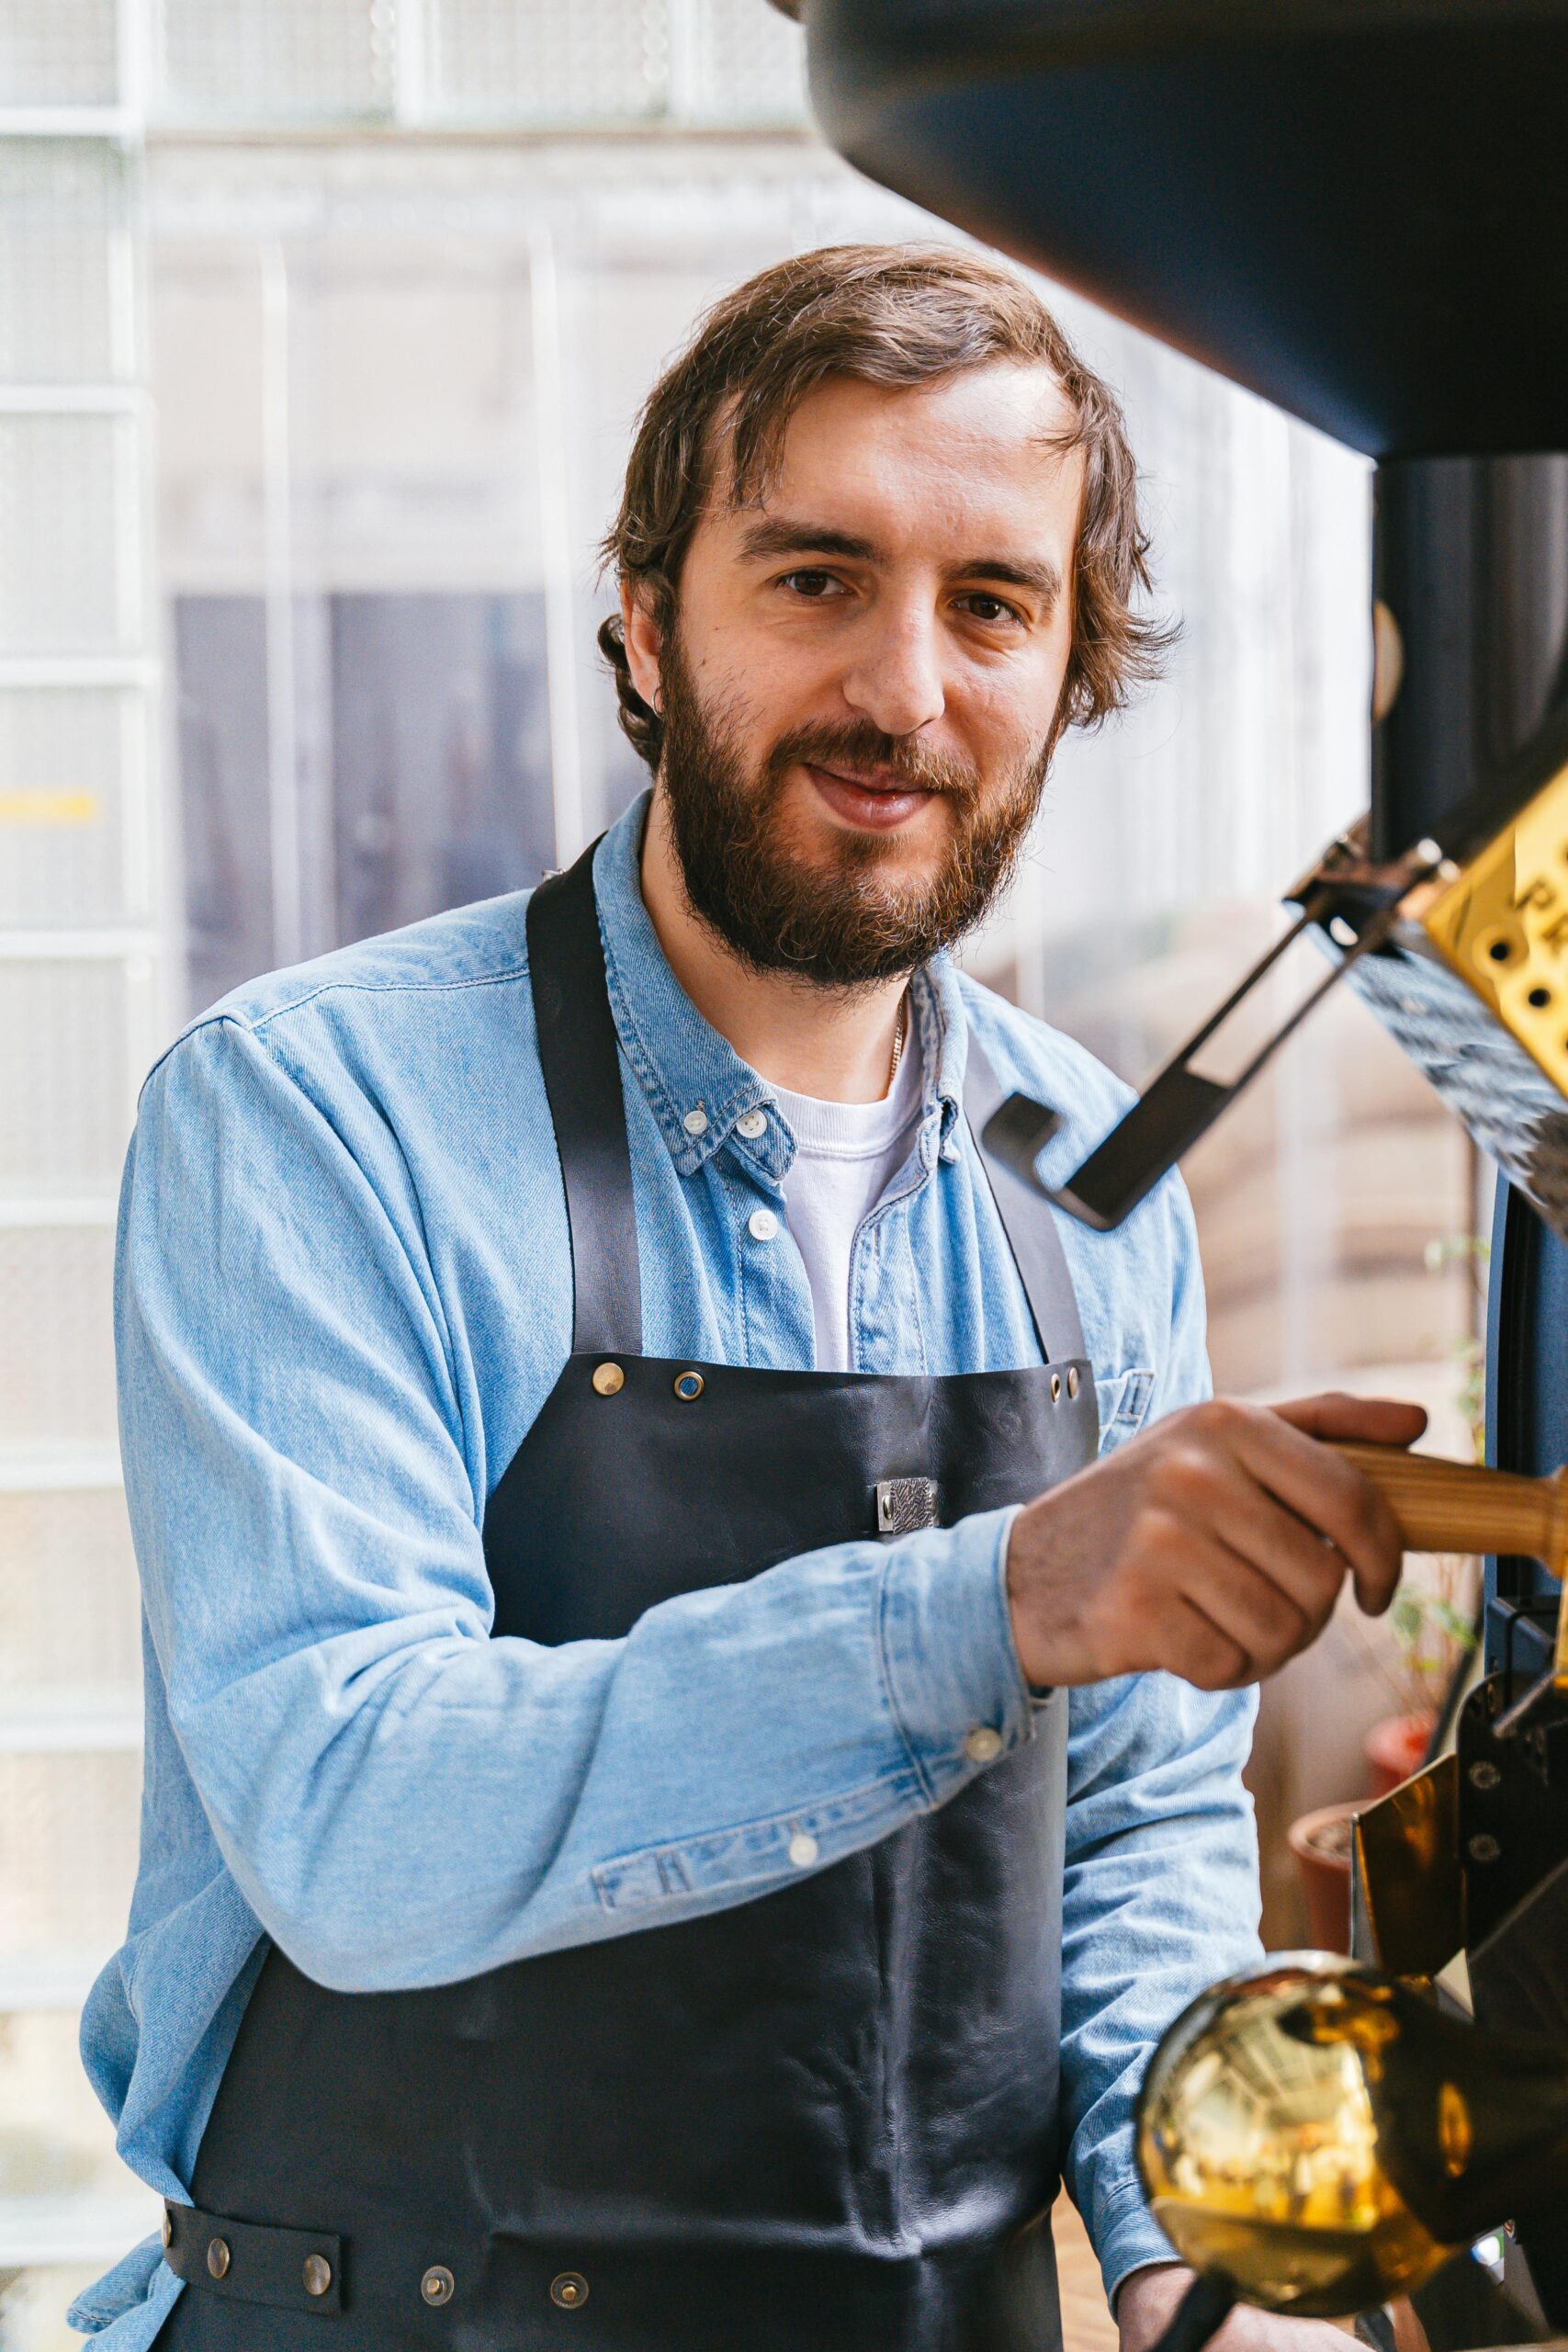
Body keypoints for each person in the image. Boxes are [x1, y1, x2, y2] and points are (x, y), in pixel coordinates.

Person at [77, 244, 1423, 2352]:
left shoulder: (1086, 1180)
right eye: (813, 577)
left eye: (991, 602)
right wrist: (990, 1600)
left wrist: (1195, 2260)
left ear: (1069, 665)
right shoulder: (318, 1113)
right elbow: (352, 1810)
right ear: (645, 616)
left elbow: (1136, 1826)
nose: (903, 688)